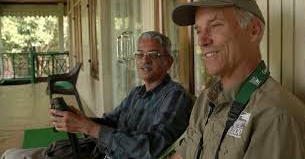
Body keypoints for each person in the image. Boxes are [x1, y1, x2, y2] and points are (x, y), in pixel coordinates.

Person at [170, 0, 305, 159]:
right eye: (198, 31)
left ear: (254, 31)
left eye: (215, 26)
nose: (202, 41)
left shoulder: (275, 115)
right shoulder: (206, 101)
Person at [1, 31, 192, 159]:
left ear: (168, 62)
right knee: (10, 154)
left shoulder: (175, 97)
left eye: (153, 54)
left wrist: (89, 127)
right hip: (95, 151)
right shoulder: (137, 93)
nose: (145, 60)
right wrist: (81, 120)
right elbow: (110, 121)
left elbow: (149, 149)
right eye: (140, 54)